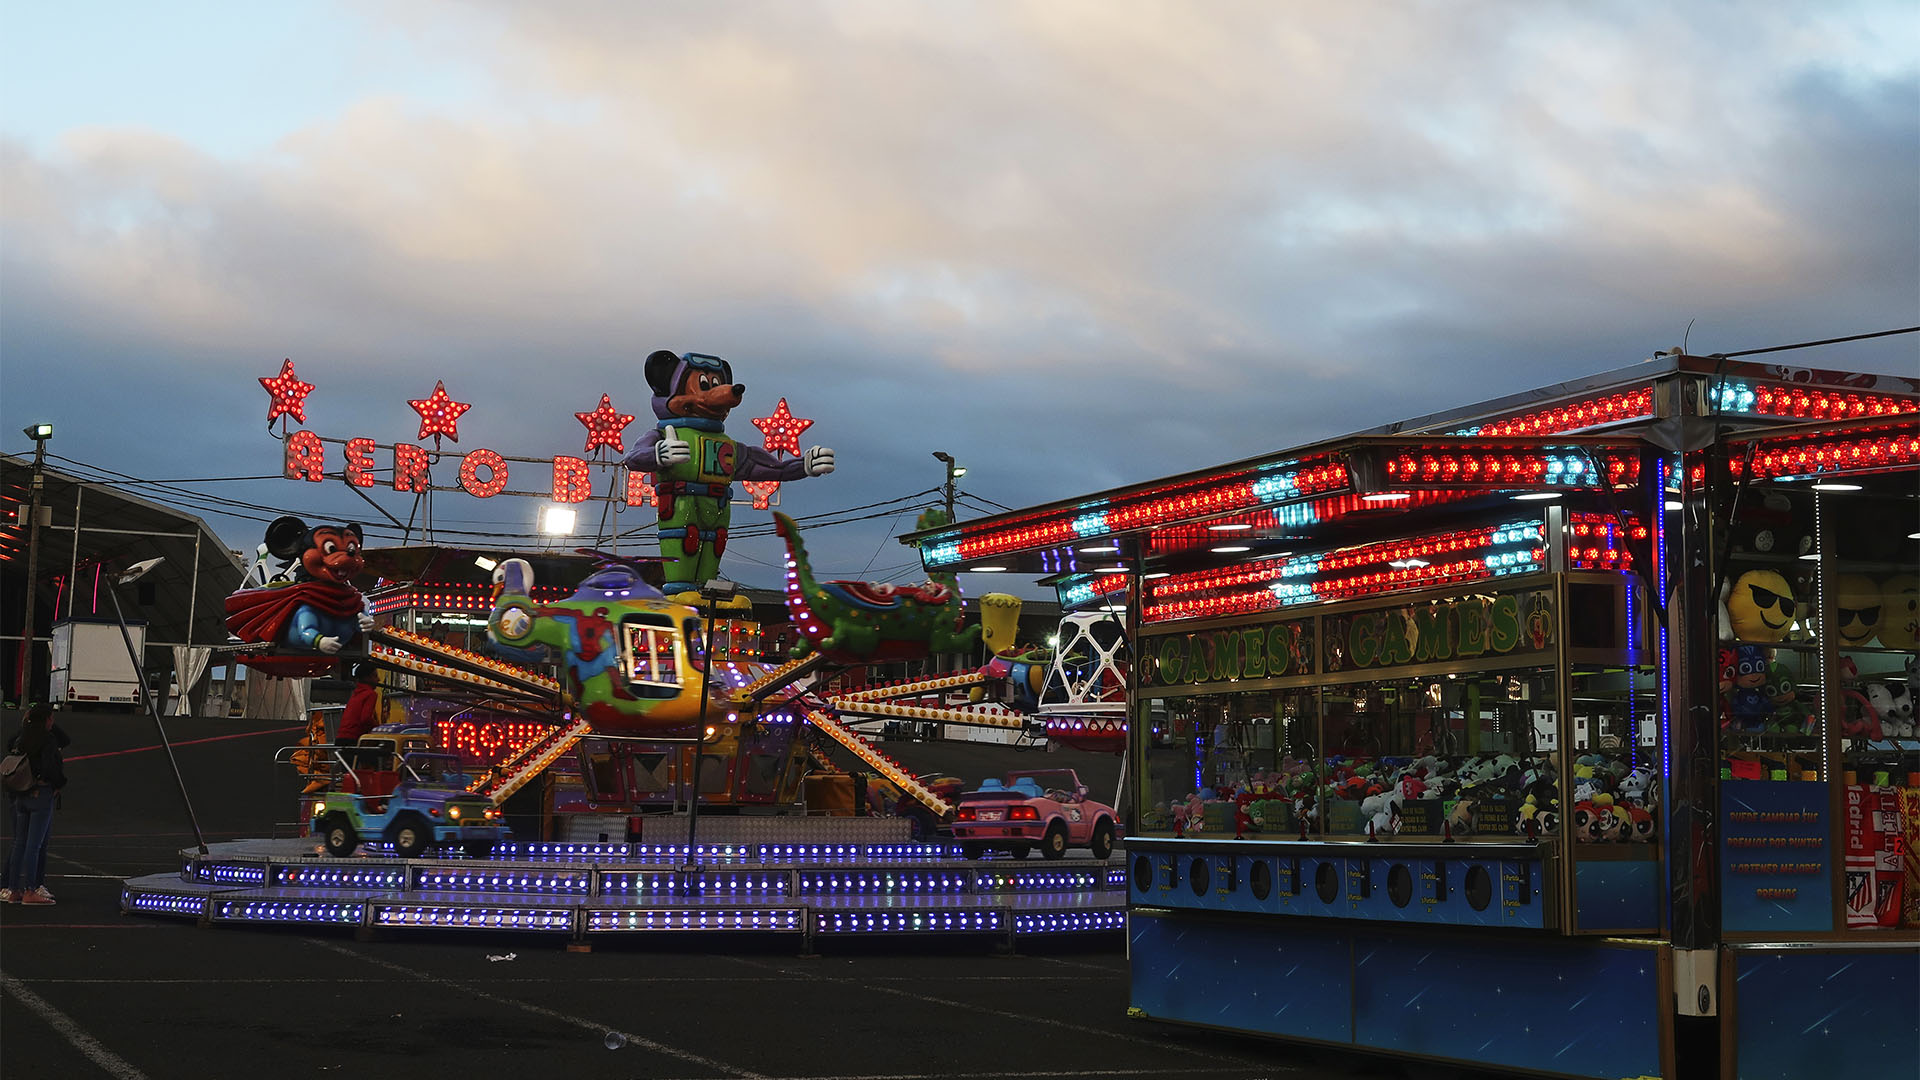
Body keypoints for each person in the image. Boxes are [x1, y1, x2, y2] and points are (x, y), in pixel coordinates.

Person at [3, 704, 69, 905]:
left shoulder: (22, 738)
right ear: (47, 719)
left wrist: (27, 722)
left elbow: (10, 746)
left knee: (19, 843)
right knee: (35, 845)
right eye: (51, 718)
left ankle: (13, 889)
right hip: (41, 794)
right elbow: (50, 765)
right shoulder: (47, 740)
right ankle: (31, 889)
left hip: (22, 793)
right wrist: (59, 784)